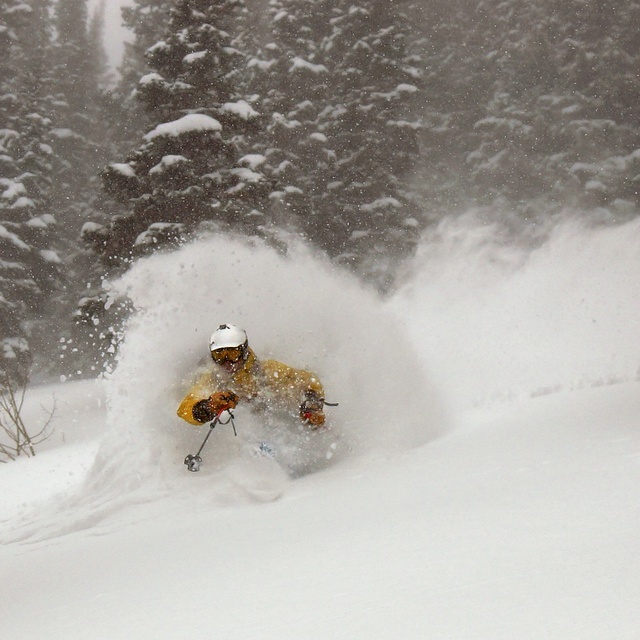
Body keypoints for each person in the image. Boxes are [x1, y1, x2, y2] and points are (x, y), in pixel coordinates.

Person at [177, 324, 327, 429]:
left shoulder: (267, 371)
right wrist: (207, 407)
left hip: (277, 420)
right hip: (245, 435)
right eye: (220, 355)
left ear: (244, 351)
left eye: (233, 354)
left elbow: (309, 381)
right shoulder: (213, 379)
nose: (227, 362)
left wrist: (312, 405)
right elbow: (185, 408)